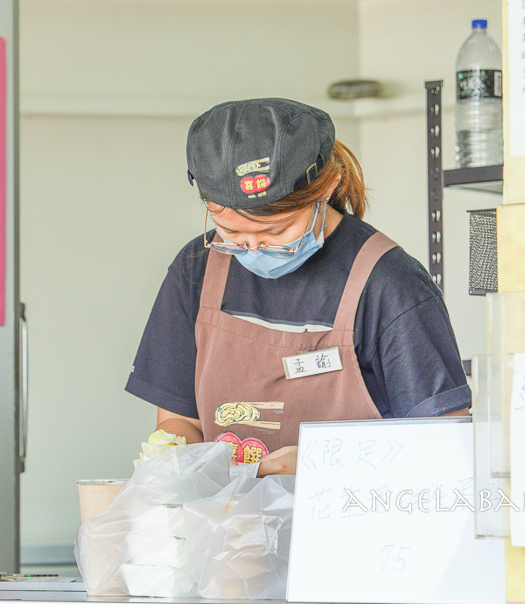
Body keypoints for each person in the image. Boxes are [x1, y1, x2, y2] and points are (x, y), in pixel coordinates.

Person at [125, 98, 470, 476]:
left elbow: (445, 448)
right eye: (231, 231)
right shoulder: (197, 271)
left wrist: (317, 469)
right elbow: (181, 423)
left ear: (326, 189)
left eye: (275, 231)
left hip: (353, 526)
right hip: (231, 529)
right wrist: (174, 466)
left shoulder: (389, 285)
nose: (252, 247)